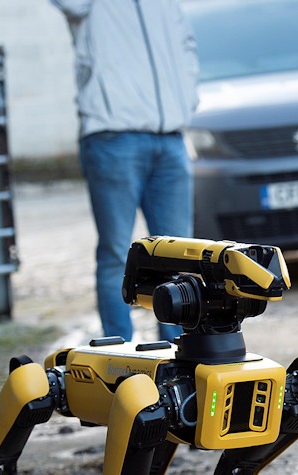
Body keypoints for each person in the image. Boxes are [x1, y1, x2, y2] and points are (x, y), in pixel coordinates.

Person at [51, 0, 199, 343]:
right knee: (116, 253)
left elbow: (186, 45)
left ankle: (180, 353)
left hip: (171, 139)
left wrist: (188, 99)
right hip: (112, 136)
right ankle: (118, 355)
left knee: (180, 257)